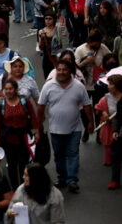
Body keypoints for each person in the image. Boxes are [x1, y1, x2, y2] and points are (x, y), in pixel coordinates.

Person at [38, 60, 94, 193]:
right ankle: (62, 178)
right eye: (59, 69)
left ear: (70, 71)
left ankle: (72, 180)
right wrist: (39, 123)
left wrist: (90, 122)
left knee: (73, 154)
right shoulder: (48, 86)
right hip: (55, 129)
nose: (61, 72)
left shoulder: (78, 86)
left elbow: (87, 105)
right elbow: (41, 106)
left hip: (75, 128)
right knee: (59, 155)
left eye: (65, 69)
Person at [0, 79, 40, 189]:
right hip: (8, 140)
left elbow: (33, 116)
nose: (8, 91)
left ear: (16, 89)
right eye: (6, 89)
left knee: (23, 163)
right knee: (11, 165)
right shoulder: (1, 104)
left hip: (23, 138)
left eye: (10, 89)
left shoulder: (25, 101)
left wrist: (37, 132)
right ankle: (14, 189)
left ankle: (25, 187)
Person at [102, 75, 122, 189]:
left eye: (110, 84)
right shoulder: (117, 101)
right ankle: (115, 180)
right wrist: (115, 130)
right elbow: (118, 118)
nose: (108, 86)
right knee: (116, 157)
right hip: (120, 132)